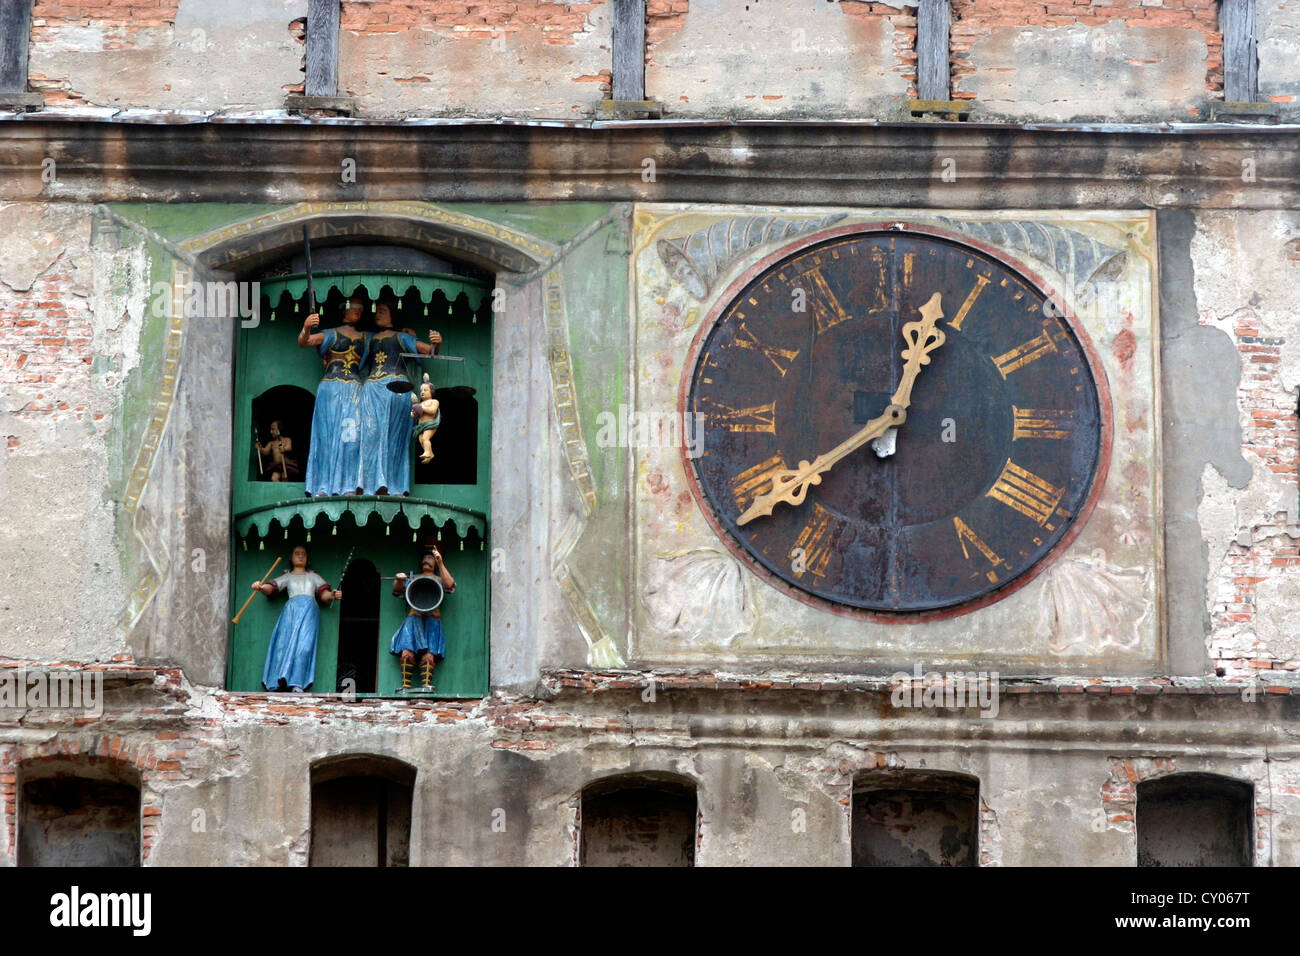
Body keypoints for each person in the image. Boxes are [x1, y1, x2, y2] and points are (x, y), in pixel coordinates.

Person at [359, 300, 441, 495]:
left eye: (383, 311)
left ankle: (395, 485)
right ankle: (369, 483)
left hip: (395, 388)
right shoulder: (370, 339)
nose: (377, 314)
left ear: (392, 316)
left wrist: (437, 343)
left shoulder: (401, 337)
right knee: (370, 436)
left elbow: (429, 351)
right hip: (372, 390)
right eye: (376, 311)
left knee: (395, 437)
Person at [299, 299, 368, 496]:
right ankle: (323, 486)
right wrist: (306, 327)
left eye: (360, 308)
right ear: (344, 309)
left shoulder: (366, 337)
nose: (358, 311)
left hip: (354, 390)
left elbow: (385, 343)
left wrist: (407, 334)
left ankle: (348, 485)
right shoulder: (330, 333)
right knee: (326, 436)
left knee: (351, 438)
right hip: (330, 388)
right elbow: (304, 342)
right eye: (354, 307)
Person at [254, 545, 341, 692]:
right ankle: (279, 679)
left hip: (309, 611)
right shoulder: (287, 576)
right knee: (284, 644)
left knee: (304, 647)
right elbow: (272, 588)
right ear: (291, 558)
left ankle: (296, 682)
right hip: (291, 611)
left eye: (303, 554)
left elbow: (324, 595)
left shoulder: (313, 576)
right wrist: (261, 587)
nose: (300, 556)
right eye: (297, 554)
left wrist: (332, 595)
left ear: (307, 558)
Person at [389, 546, 455, 692]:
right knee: (406, 652)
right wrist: (399, 580)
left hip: (432, 619)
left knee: (429, 656)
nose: (427, 560)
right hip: (414, 619)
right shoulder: (413, 578)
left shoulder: (439, 579)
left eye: (430, 558)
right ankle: (406, 686)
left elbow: (450, 586)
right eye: (425, 558)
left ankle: (426, 685)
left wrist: (441, 563)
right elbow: (397, 590)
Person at [411, 374, 441, 465]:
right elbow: (416, 415)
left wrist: (422, 408)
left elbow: (432, 411)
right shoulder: (421, 403)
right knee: (421, 440)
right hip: (421, 426)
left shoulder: (434, 401)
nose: (422, 392)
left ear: (431, 391)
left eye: (425, 390)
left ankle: (427, 452)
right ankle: (430, 453)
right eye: (421, 390)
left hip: (430, 424)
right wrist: (414, 413)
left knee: (425, 438)